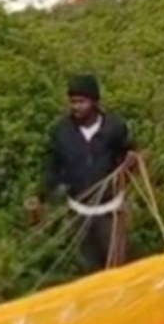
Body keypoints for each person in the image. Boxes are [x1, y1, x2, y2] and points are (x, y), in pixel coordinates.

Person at [28, 74, 136, 273]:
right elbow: (53, 167)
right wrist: (41, 195)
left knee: (119, 266)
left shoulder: (114, 127)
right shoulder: (62, 132)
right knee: (90, 269)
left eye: (81, 102)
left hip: (110, 212)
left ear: (95, 102)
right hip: (79, 214)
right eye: (72, 102)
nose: (76, 107)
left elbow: (128, 154)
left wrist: (131, 162)